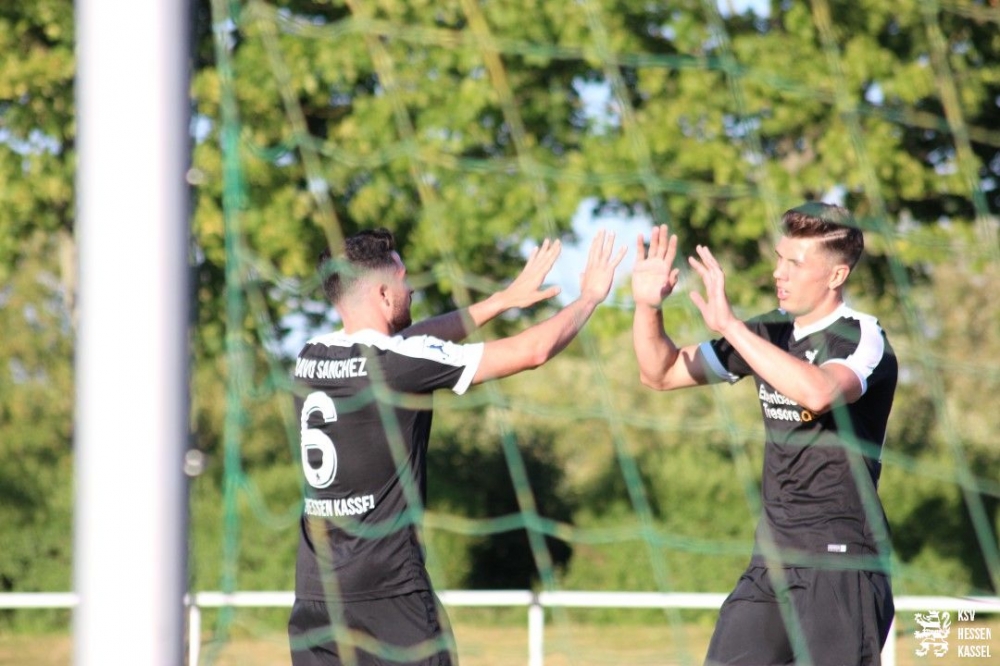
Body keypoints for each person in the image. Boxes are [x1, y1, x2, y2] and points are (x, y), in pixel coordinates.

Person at [289, 227, 625, 665]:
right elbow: (534, 351)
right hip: (389, 593)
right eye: (404, 279)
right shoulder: (397, 365)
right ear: (384, 293)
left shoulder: (310, 356)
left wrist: (501, 301)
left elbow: (410, 342)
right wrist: (590, 298)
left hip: (316, 594)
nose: (411, 289)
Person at [631, 203, 897, 665]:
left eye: (795, 263)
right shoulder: (768, 331)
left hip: (840, 559)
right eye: (779, 258)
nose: (779, 272)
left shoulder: (862, 337)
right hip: (772, 557)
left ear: (836, 276)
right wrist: (647, 306)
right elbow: (661, 373)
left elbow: (819, 392)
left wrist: (732, 327)